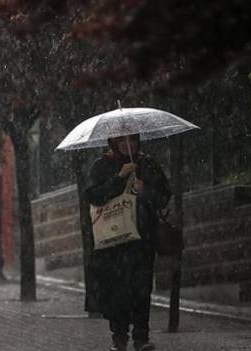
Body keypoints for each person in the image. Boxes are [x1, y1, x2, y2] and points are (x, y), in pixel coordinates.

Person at [85, 134, 171, 351]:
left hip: (142, 239)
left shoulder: (146, 164)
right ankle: (119, 338)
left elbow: (163, 196)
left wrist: (145, 190)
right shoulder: (102, 165)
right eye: (121, 140)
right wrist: (119, 177)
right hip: (114, 241)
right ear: (113, 142)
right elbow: (94, 196)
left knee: (142, 289)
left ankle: (141, 337)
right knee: (118, 291)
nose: (127, 144)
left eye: (132, 139)